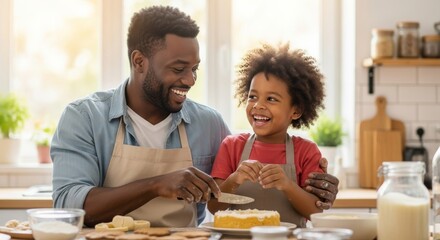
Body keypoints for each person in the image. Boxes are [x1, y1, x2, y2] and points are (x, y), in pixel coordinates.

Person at [51, 5, 339, 228]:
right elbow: (68, 207)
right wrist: (156, 185)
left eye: (194, 69)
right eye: (178, 69)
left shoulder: (209, 124)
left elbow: (234, 184)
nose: (190, 80)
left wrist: (318, 187)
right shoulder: (85, 118)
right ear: (139, 61)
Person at [208, 43, 328, 227]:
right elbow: (214, 206)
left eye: (271, 99)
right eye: (253, 97)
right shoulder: (232, 146)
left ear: (295, 111)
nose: (258, 105)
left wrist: (287, 185)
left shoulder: (306, 151)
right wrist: (235, 179)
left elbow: (316, 212)